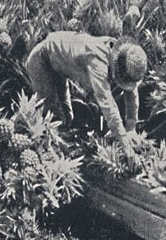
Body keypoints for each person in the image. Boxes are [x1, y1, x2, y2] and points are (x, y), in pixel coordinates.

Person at [26, 31, 147, 160]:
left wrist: (131, 127)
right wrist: (125, 143)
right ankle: (54, 156)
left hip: (60, 65)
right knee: (55, 117)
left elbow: (131, 91)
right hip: (41, 61)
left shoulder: (124, 55)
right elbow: (107, 103)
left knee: (68, 116)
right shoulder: (97, 60)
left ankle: (66, 147)